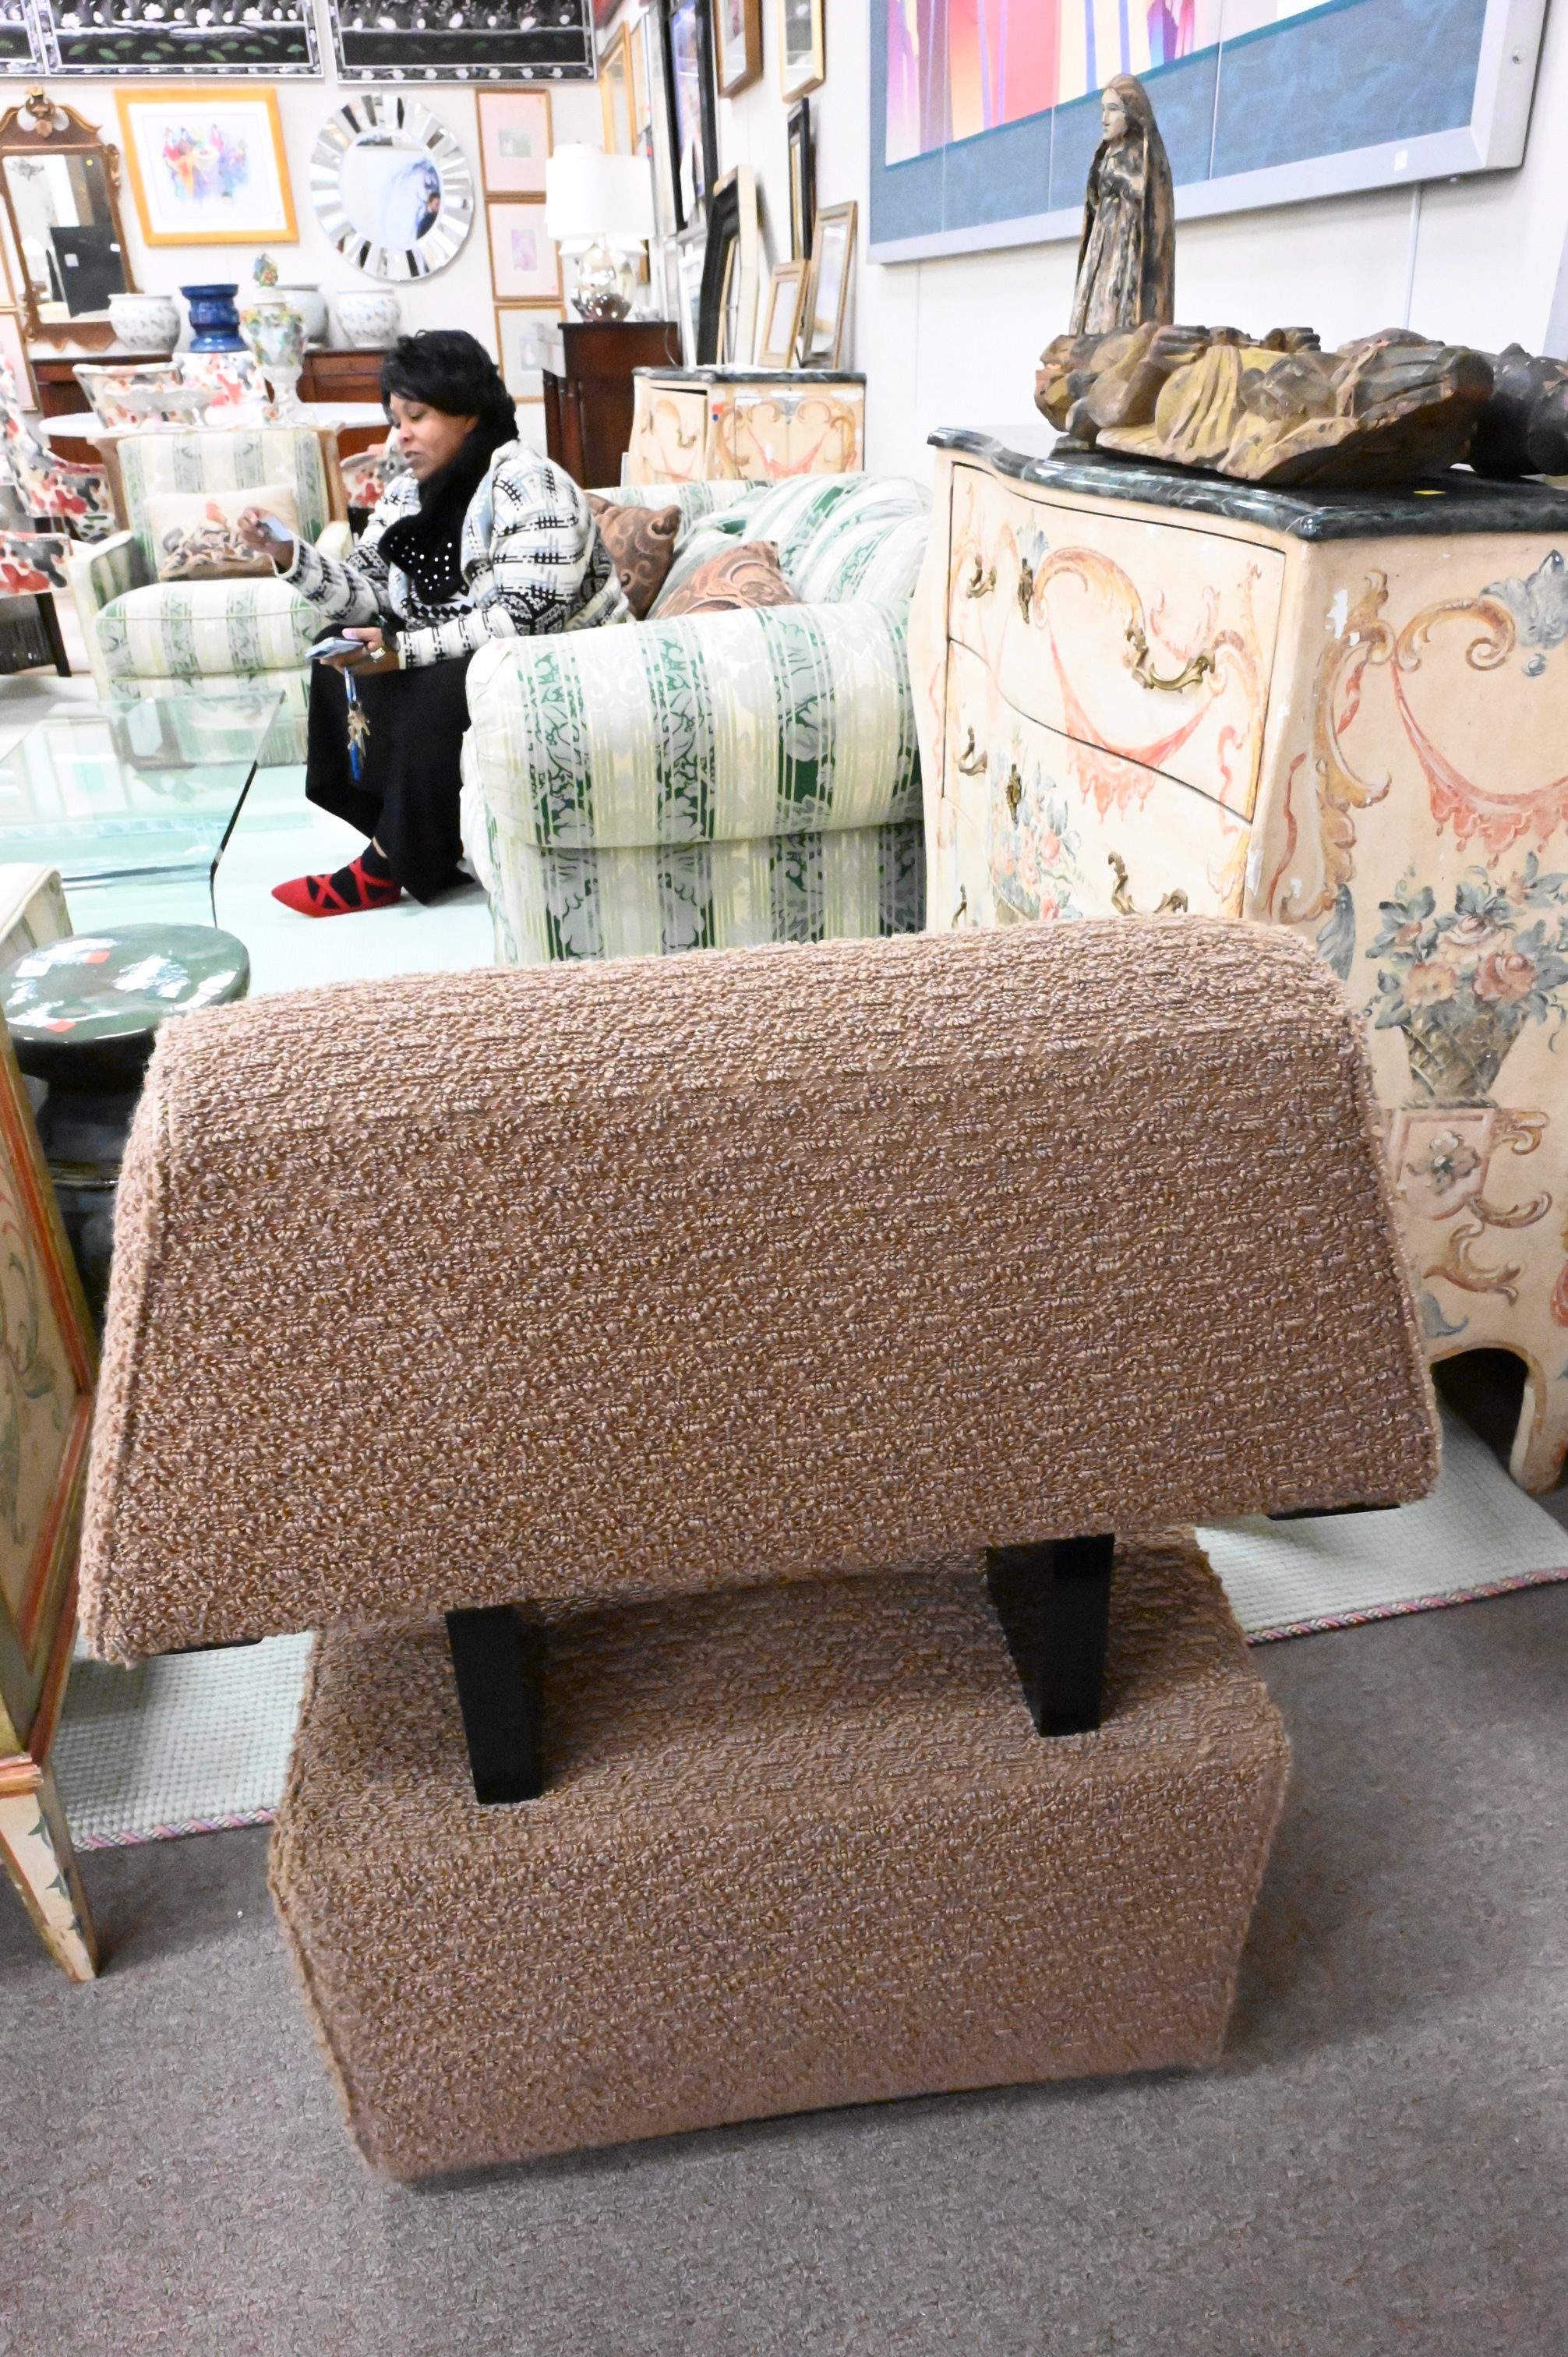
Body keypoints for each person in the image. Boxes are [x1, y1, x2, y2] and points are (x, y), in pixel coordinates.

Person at [239, 328, 630, 917]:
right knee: (335, 646)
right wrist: (289, 554)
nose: (401, 435)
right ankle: (408, 843)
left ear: (467, 412)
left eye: (417, 416)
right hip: (468, 650)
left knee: (447, 683)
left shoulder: (530, 483)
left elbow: (526, 620)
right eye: (396, 419)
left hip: (563, 664)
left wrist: (403, 651)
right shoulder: (406, 493)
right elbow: (367, 596)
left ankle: (383, 868)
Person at [1068, 73, 1175, 338]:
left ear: (1132, 113)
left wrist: (1123, 181)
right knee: (1095, 302)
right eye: (1103, 110)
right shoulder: (1105, 153)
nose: (1104, 119)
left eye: (1113, 109)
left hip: (1126, 245)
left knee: (1116, 305)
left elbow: (1150, 199)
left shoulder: (1143, 153)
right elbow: (1094, 199)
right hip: (1102, 242)